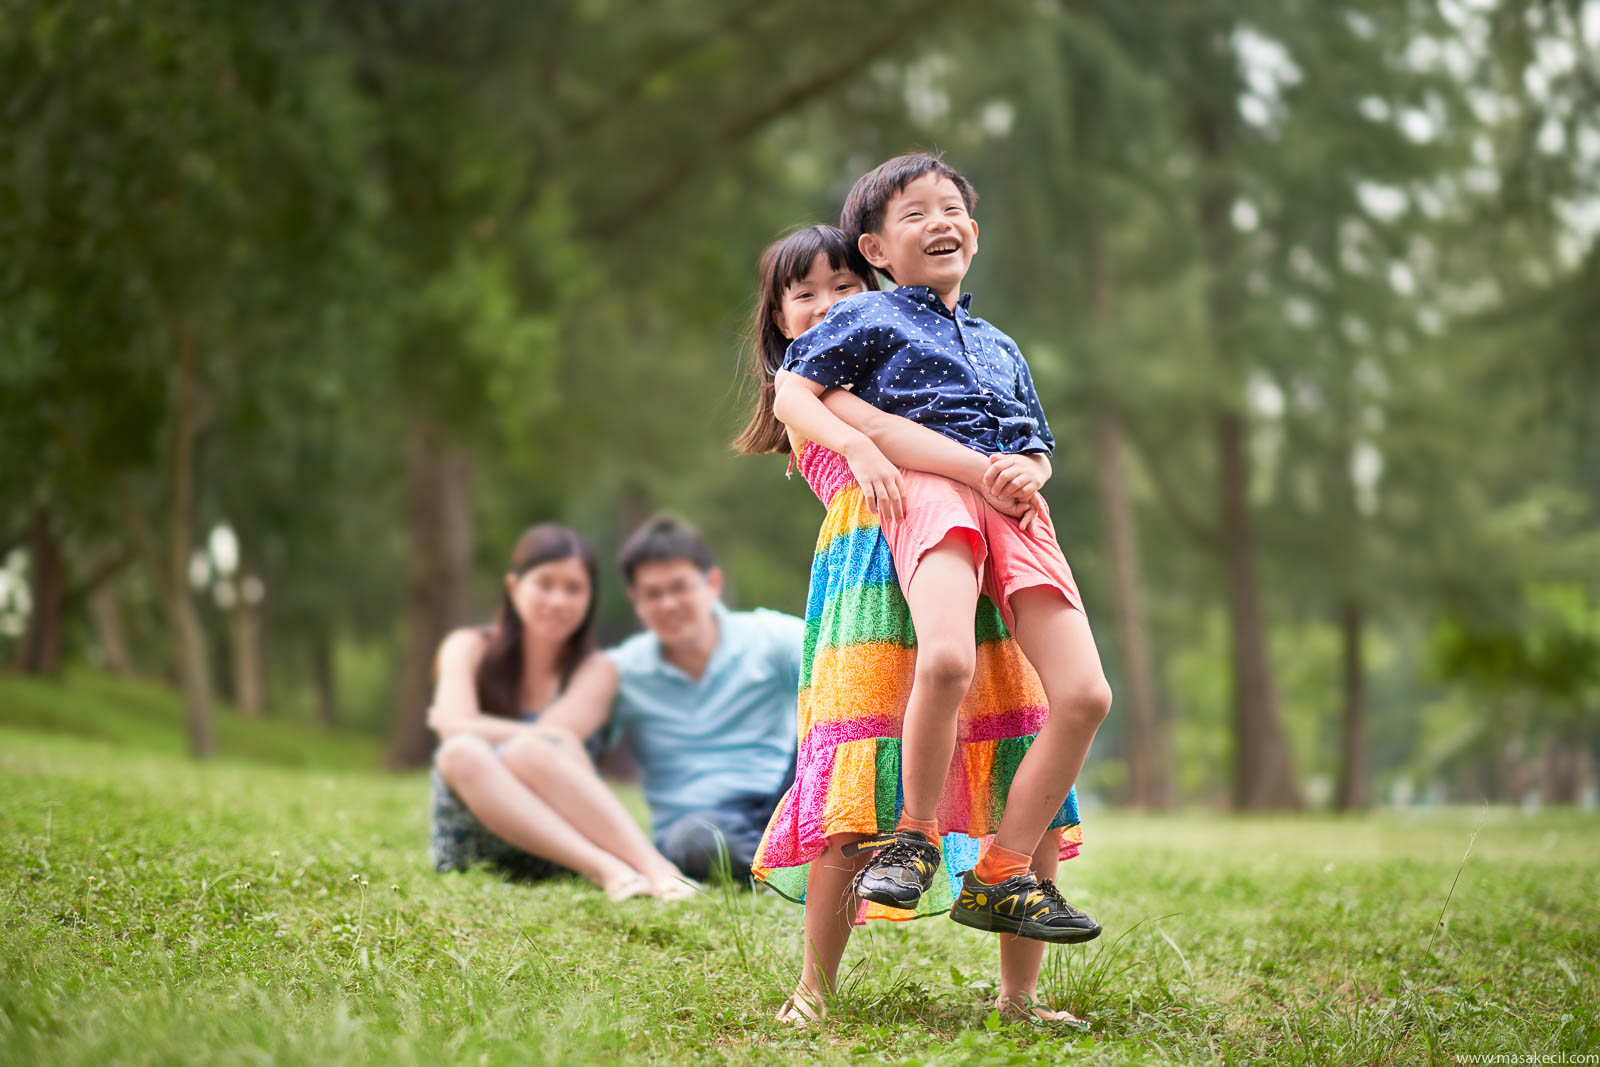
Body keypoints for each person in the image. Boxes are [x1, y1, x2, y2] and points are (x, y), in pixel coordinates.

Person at [736, 224, 1087, 1026]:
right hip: (872, 594)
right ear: (779, 318)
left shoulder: (904, 373)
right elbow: (835, 418)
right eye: (805, 294)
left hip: (967, 572)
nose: (828, 307)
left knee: (1013, 757)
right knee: (857, 787)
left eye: (846, 290)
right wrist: (861, 445)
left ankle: (1020, 994)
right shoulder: (815, 396)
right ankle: (813, 990)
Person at [774, 154, 1112, 945]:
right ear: (878, 252)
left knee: (1087, 695)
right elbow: (793, 391)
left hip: (1015, 506)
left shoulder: (1000, 345)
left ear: (976, 232)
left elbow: (1038, 445)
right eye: (914, 214)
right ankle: (916, 832)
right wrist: (859, 450)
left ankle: (1004, 871)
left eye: (951, 208)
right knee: (949, 660)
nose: (940, 223)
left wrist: (1029, 470)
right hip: (929, 494)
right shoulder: (867, 319)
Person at [427, 524, 695, 901]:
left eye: (573, 588)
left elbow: (539, 754)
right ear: (514, 586)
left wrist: (491, 729)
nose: (558, 600)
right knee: (461, 752)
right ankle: (608, 869)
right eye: (545, 583)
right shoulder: (467, 647)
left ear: (589, 599)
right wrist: (546, 737)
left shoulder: (597, 670)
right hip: (476, 836)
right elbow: (454, 728)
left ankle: (655, 869)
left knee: (524, 751)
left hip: (559, 835)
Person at [540, 514, 807, 884]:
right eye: (652, 593)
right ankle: (789, 871)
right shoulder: (622, 669)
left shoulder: (770, 636)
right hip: (696, 829)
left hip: (783, 803)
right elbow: (550, 738)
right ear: (635, 600)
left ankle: (804, 854)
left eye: (679, 587)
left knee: (831, 715)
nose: (667, 604)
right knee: (698, 841)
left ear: (712, 583)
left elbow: (845, 669)